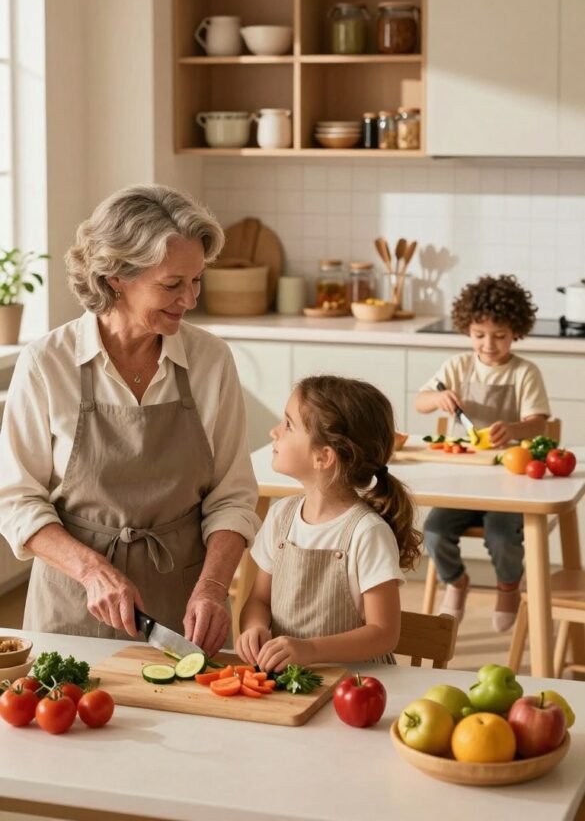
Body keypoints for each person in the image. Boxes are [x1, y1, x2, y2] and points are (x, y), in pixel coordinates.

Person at [0, 184, 259, 655]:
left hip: (184, 611)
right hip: (71, 606)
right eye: (172, 284)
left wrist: (213, 589)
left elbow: (233, 496)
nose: (191, 298)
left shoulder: (211, 361)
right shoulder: (47, 364)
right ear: (116, 275)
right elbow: (15, 500)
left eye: (197, 280)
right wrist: (92, 571)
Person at [236, 376, 422, 671]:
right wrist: (253, 628)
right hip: (292, 682)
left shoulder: (367, 533)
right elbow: (259, 600)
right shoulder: (280, 516)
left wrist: (309, 650)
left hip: (357, 685)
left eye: (287, 424)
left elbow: (384, 634)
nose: (274, 432)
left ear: (323, 457)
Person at [414, 274, 550, 631]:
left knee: (502, 535)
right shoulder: (458, 367)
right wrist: (437, 398)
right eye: (479, 335)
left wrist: (515, 429)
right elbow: (420, 402)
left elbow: (540, 423)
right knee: (434, 531)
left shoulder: (525, 373)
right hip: (466, 479)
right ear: (467, 329)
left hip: (511, 480)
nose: (488, 345)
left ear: (515, 332)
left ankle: (508, 586)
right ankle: (456, 582)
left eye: (499, 336)